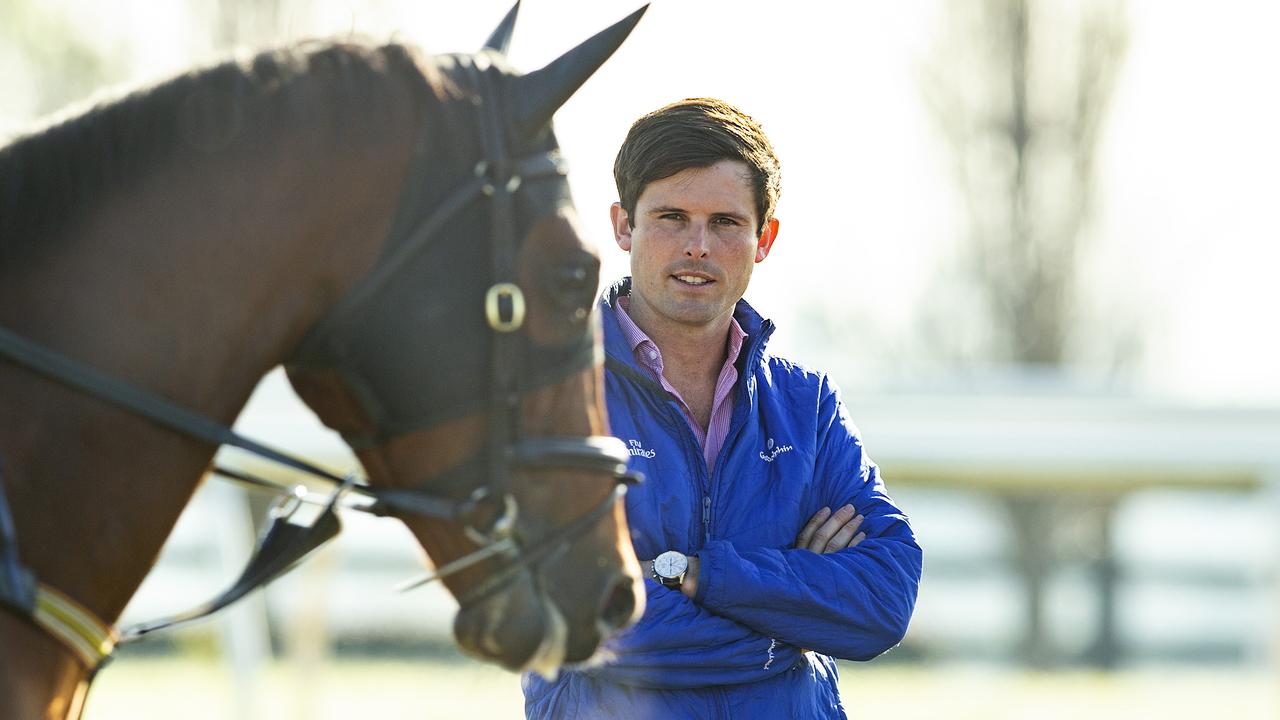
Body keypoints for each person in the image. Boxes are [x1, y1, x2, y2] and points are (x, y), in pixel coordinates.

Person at [522, 98, 922, 719]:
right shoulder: (551, 396)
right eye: (672, 217)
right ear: (623, 226)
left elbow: (883, 599)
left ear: (764, 238)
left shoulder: (805, 405)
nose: (698, 246)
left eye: (726, 222)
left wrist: (696, 574)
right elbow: (575, 622)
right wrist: (794, 620)